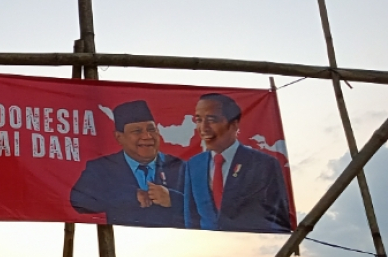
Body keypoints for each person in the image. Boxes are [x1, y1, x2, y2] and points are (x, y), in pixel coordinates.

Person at [184, 93, 291, 232]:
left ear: (234, 124)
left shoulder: (264, 164)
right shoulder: (194, 165)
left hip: (252, 248)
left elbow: (279, 218)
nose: (203, 128)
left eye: (212, 120)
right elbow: (190, 218)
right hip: (208, 249)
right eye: (198, 120)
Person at [70, 100, 186, 228]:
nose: (147, 136)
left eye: (151, 129)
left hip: (176, 243)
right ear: (119, 137)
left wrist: (173, 199)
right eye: (137, 131)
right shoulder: (102, 168)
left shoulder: (180, 167)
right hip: (124, 242)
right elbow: (78, 200)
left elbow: (207, 206)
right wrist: (130, 196)